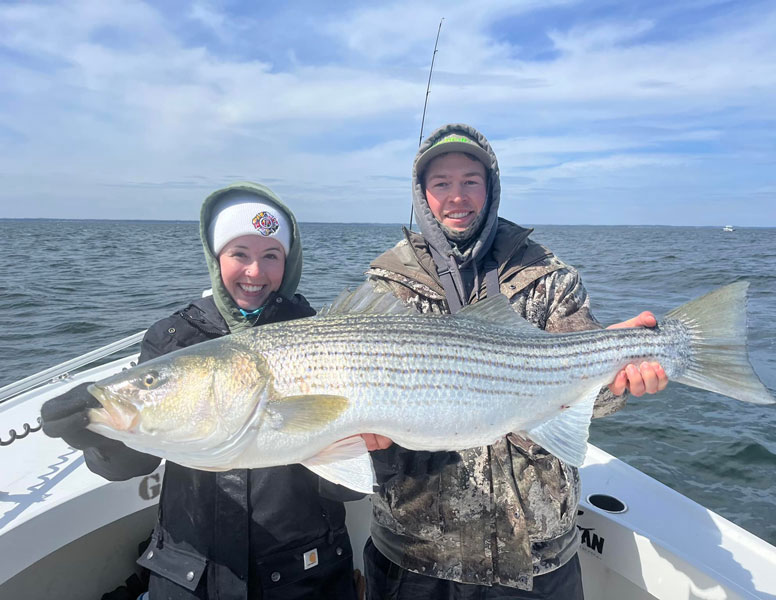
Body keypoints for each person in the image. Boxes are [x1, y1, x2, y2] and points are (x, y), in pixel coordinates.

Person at [359, 124, 669, 599]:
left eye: (470, 181)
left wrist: (619, 377)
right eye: (441, 183)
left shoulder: (549, 276)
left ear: (491, 187)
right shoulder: (387, 286)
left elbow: (586, 399)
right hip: (416, 555)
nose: (457, 196)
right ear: (422, 194)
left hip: (537, 556)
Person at [41, 182, 363, 600]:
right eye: (239, 254)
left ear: (289, 261)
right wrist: (97, 436)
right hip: (190, 574)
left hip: (305, 574)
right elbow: (133, 463)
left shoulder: (327, 339)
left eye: (271, 255)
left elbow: (347, 487)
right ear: (215, 257)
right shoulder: (173, 337)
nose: (255, 272)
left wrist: (370, 447)